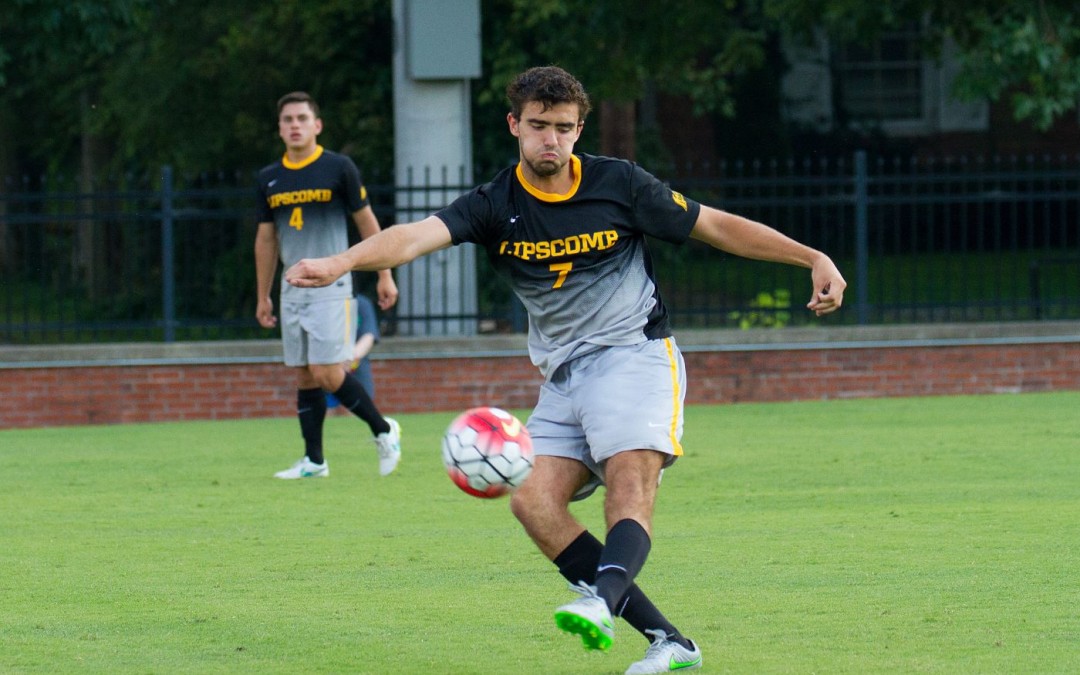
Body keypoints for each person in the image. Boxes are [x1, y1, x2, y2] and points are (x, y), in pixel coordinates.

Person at [284, 67, 846, 673]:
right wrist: (343, 261)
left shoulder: (619, 184)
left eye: (562, 128)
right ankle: (672, 643)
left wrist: (811, 256)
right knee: (532, 503)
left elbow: (713, 225)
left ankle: (602, 602)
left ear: (579, 129)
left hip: (635, 354)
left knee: (629, 487)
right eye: (537, 126)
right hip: (562, 376)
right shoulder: (494, 203)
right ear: (514, 126)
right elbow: (415, 237)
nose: (549, 139)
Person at [255, 91, 402, 479]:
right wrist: (263, 295)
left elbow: (367, 224)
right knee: (304, 373)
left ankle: (384, 430)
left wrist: (384, 273)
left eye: (302, 118)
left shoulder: (339, 168)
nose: (295, 125)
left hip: (332, 285)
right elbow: (266, 239)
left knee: (325, 370)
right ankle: (314, 461)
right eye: (288, 119)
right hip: (291, 289)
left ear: (316, 125)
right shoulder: (268, 178)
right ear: (280, 128)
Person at [326, 291, 380, 410]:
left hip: (356, 370)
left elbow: (369, 335)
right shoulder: (321, 303)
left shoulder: (361, 303)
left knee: (357, 412)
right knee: (325, 411)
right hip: (325, 369)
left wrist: (350, 357)